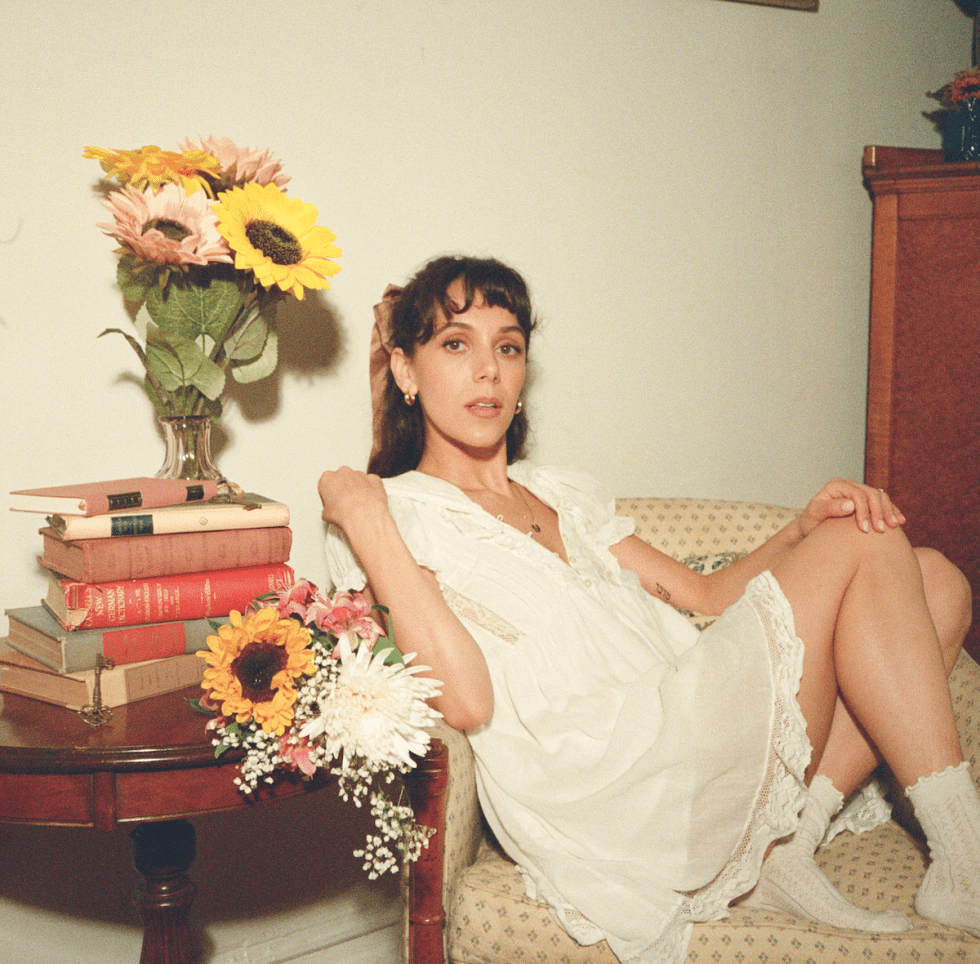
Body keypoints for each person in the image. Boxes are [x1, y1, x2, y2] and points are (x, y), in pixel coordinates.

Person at [318, 255, 978, 964]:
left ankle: (789, 843)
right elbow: (468, 701)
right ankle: (967, 861)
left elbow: (705, 596)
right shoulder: (392, 516)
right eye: (456, 344)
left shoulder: (559, 493)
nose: (488, 370)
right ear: (406, 371)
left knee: (937, 581)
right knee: (868, 542)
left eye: (507, 347)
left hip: (677, 708)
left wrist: (801, 532)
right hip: (611, 777)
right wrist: (367, 514)